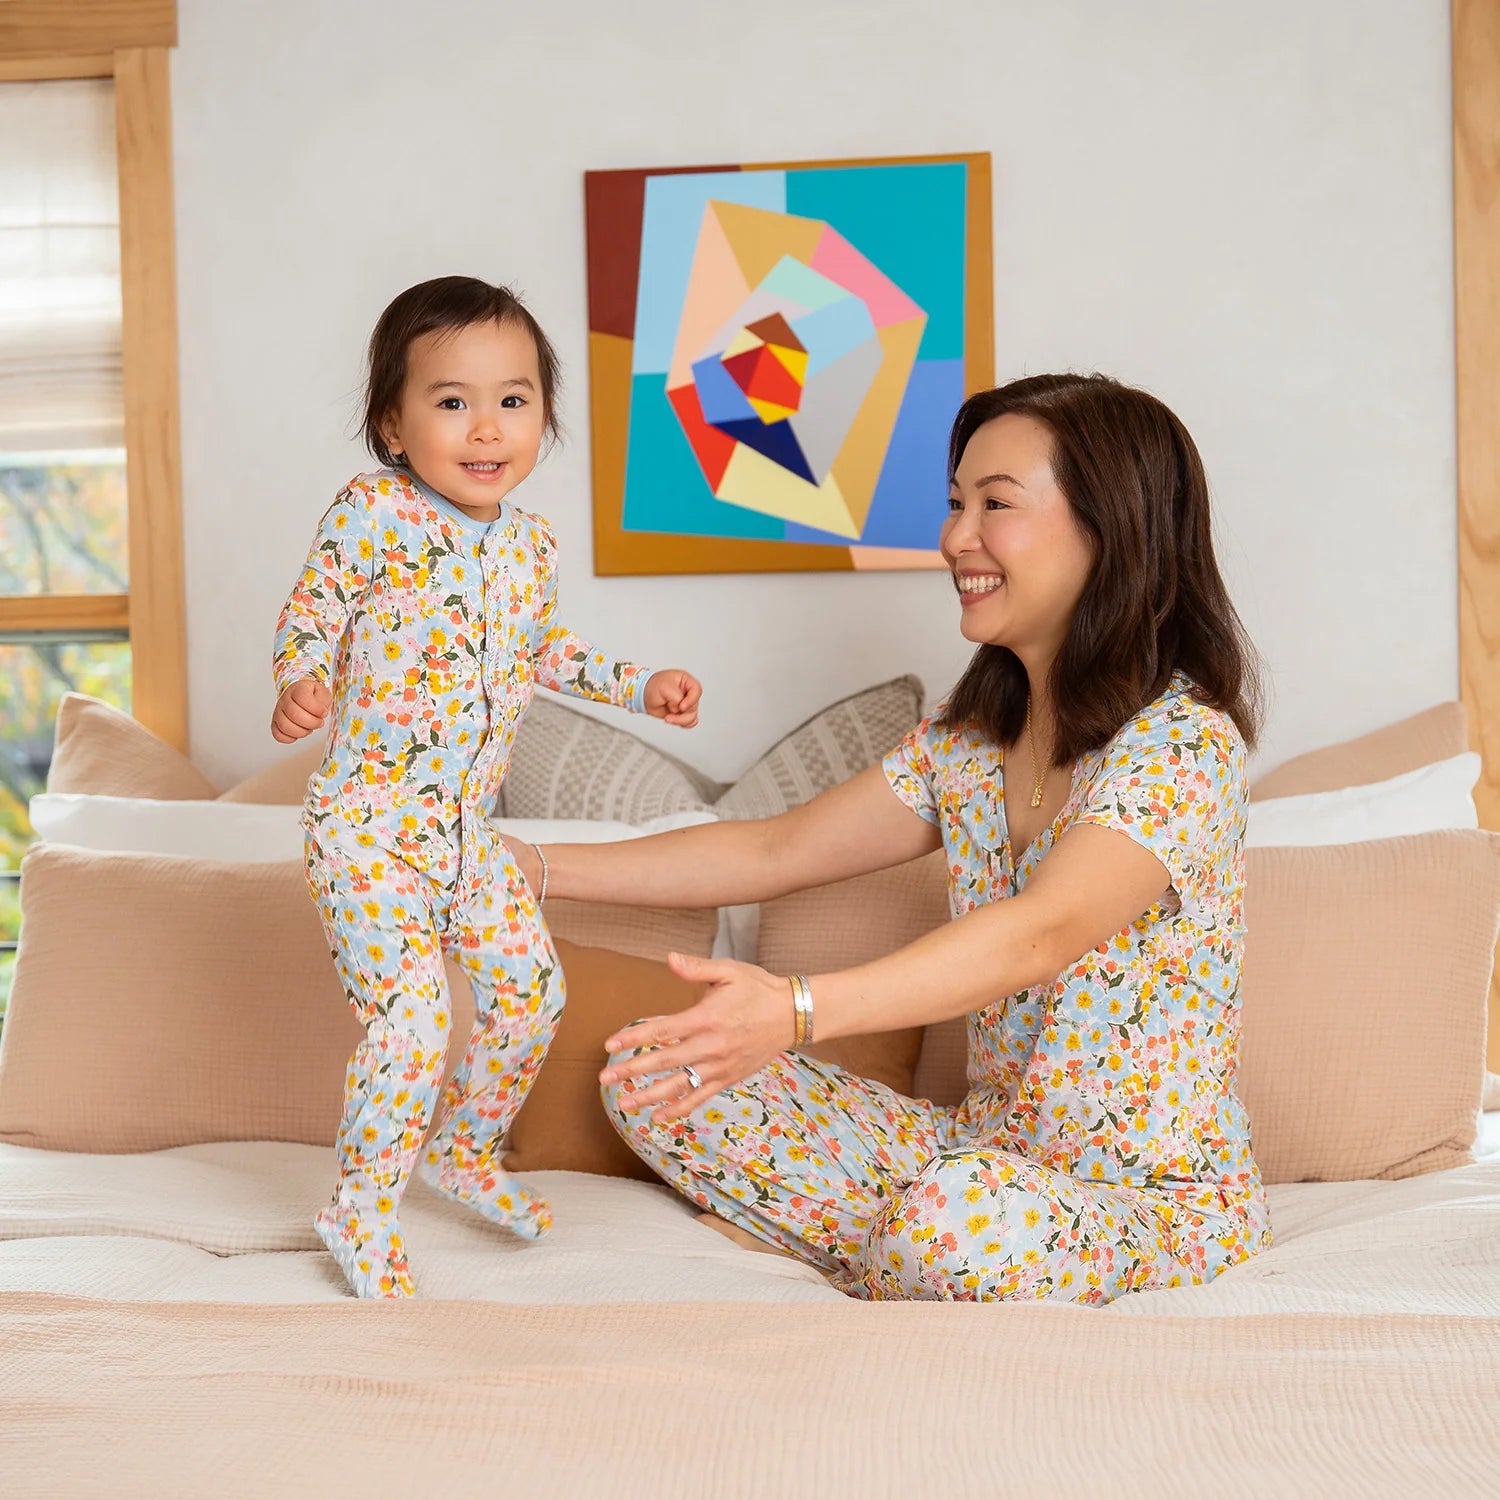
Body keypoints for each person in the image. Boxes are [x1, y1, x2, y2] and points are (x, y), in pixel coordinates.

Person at [507, 372, 1269, 1304]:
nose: (956, 539)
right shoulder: (969, 738)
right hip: (979, 1155)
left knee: (951, 1222)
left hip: (1151, 1201)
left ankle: (868, 1247)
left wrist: (792, 1011)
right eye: (956, 504)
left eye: (997, 504)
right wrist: (529, 865)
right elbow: (770, 852)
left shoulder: (1184, 743)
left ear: (1114, 529)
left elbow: (1041, 932)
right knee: (653, 1070)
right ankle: (894, 1246)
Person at [271, 275, 701, 1298]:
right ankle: (361, 1207)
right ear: (392, 421)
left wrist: (642, 685)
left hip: (467, 835)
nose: (485, 427)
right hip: (369, 826)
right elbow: (312, 610)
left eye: (513, 399)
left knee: (531, 994)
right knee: (413, 1018)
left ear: (544, 417)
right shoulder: (372, 511)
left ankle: (465, 1154)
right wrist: (298, 677)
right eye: (451, 400)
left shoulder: (532, 544)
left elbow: (547, 651)